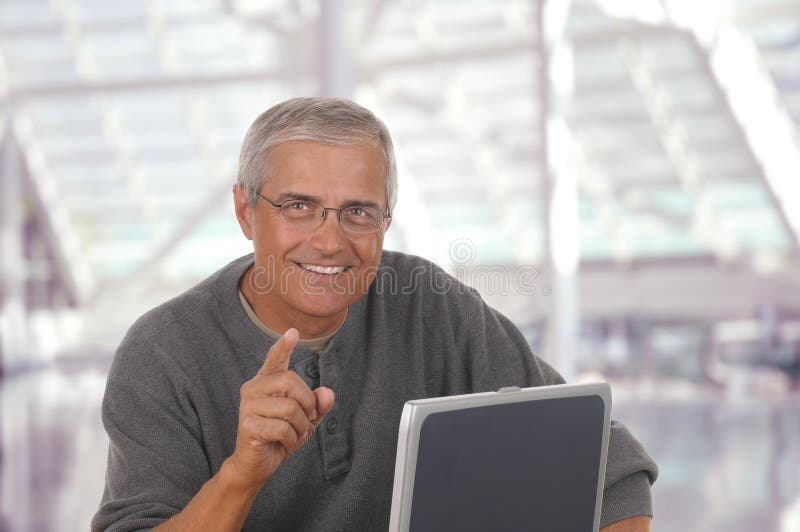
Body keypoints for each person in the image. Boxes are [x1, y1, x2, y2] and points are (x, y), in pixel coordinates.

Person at [92, 97, 657, 532]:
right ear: (246, 211)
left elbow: (610, 468)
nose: (330, 241)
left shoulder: (430, 307)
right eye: (299, 207)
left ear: (386, 220)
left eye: (358, 212)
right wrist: (242, 473)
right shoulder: (162, 354)